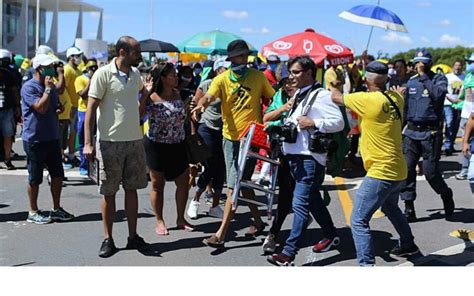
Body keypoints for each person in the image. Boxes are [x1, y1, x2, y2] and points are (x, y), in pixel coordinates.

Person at [331, 61, 419, 266]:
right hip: (398, 168)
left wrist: (336, 82)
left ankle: (366, 265)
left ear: (366, 79)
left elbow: (335, 97)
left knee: (358, 220)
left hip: (381, 171)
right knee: (391, 208)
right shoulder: (396, 98)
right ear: (386, 79)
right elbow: (398, 93)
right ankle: (408, 244)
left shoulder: (366, 99)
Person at [192, 39, 275, 248]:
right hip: (230, 138)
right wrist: (200, 106)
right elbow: (207, 97)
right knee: (240, 182)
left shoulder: (258, 77)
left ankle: (220, 234)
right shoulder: (221, 80)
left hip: (252, 138)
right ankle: (257, 221)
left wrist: (276, 114)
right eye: (240, 56)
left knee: (236, 183)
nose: (244, 59)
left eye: (245, 55)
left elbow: (272, 98)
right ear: (232, 59)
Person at [267, 56, 344, 266]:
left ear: (309, 72)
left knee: (299, 204)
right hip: (293, 158)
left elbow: (338, 122)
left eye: (296, 72)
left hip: (309, 159)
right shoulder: (300, 95)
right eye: (290, 72)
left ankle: (288, 253)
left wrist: (313, 122)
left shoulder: (321, 95)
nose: (291, 76)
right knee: (313, 201)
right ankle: (330, 234)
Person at [84, 36, 150, 258]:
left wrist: (146, 98)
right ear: (122, 52)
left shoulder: (136, 75)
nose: (139, 55)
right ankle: (107, 239)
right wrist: (87, 143)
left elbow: (141, 96)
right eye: (136, 52)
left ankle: (133, 236)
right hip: (109, 143)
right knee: (109, 192)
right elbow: (90, 110)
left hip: (134, 141)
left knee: (132, 189)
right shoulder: (103, 74)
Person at [399, 49, 454, 222]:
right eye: (417, 62)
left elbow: (438, 96)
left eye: (422, 63)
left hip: (430, 133)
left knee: (430, 173)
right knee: (407, 170)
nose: (419, 66)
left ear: (429, 63)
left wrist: (424, 76)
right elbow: (406, 107)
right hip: (411, 132)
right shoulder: (411, 82)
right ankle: (409, 207)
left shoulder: (438, 79)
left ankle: (445, 194)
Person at [21, 53, 75, 224]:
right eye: (48, 66)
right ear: (39, 69)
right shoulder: (29, 87)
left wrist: (57, 107)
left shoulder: (49, 86)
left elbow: (51, 106)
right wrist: (47, 90)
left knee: (57, 174)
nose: (52, 69)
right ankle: (33, 211)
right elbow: (40, 108)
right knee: (35, 178)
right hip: (34, 139)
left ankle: (56, 208)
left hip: (51, 137)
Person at [143, 62, 194, 236]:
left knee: (183, 183)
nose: (176, 77)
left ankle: (180, 218)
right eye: (172, 75)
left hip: (178, 144)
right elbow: (138, 115)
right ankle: (159, 220)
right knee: (158, 185)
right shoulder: (151, 96)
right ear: (163, 78)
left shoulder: (178, 94)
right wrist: (145, 94)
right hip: (156, 146)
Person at [186, 58, 230, 220]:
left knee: (221, 170)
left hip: (225, 131)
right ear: (218, 70)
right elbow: (193, 109)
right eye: (226, 68)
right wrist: (193, 133)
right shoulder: (206, 84)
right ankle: (195, 200)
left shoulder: (233, 86)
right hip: (207, 128)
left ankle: (215, 206)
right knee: (210, 166)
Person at [74, 59, 98, 175]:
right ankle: (83, 165)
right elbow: (83, 95)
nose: (93, 70)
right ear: (87, 69)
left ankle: (93, 164)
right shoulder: (80, 79)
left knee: (95, 138)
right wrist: (90, 81)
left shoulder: (99, 79)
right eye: (91, 67)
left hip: (96, 111)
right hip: (83, 111)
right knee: (83, 138)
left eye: (95, 67)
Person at [0, 49, 20, 170]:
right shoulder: (11, 73)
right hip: (8, 108)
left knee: (8, 135)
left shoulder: (10, 73)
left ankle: (7, 158)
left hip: (8, 108)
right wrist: (18, 106)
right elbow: (15, 91)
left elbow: (14, 91)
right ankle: (7, 159)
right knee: (8, 135)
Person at [64, 46, 84, 166]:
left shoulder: (78, 71)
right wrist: (69, 106)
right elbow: (64, 89)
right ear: (70, 58)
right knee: (70, 132)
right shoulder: (67, 70)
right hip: (71, 107)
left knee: (74, 132)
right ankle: (68, 155)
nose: (79, 58)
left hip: (78, 106)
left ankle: (71, 154)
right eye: (76, 56)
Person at [443, 61, 465, 156]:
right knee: (450, 122)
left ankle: (451, 144)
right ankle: (447, 145)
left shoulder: (464, 77)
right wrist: (448, 98)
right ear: (453, 67)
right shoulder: (448, 77)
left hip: (460, 104)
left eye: (459, 65)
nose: (458, 67)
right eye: (456, 65)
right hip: (448, 103)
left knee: (456, 125)